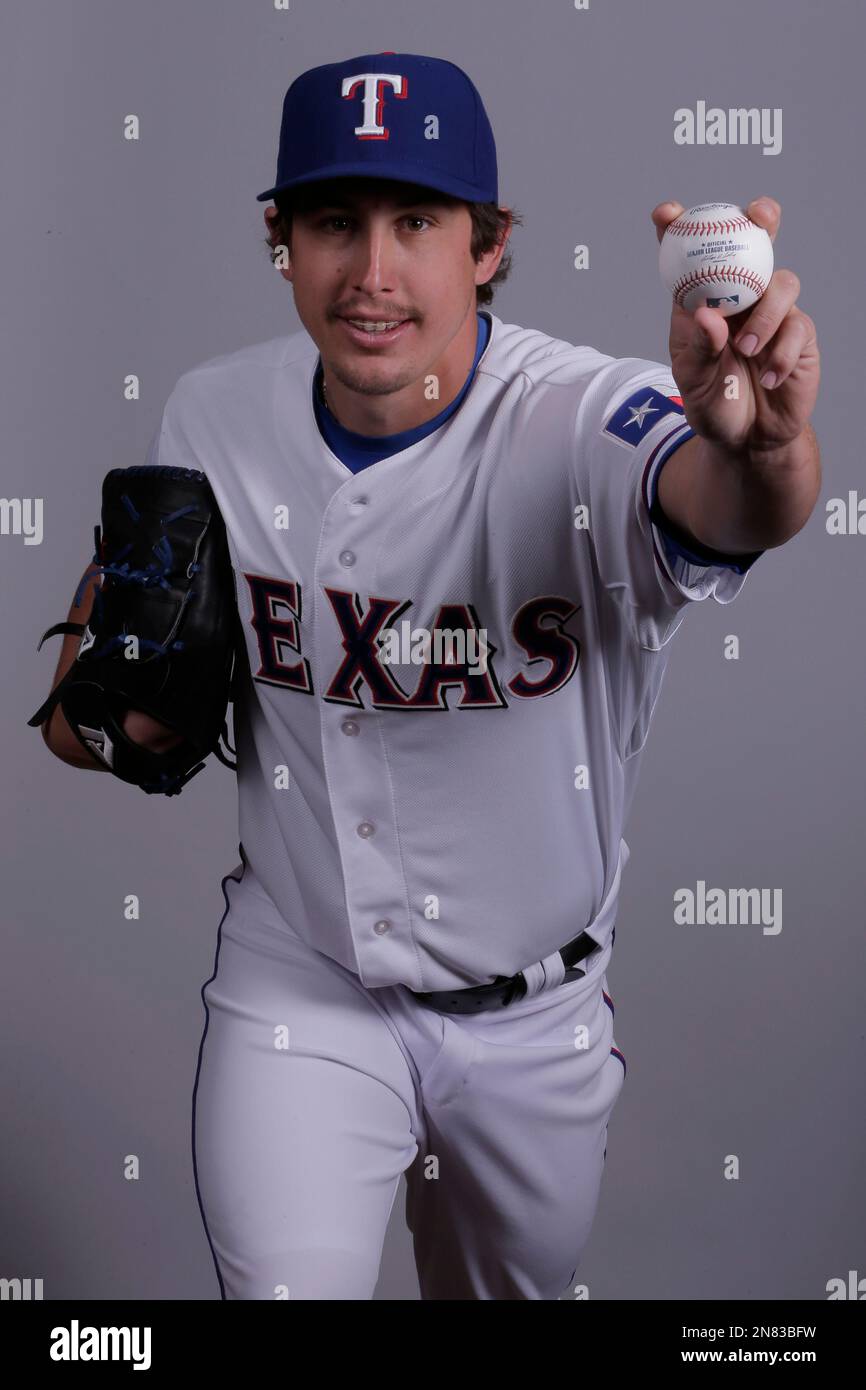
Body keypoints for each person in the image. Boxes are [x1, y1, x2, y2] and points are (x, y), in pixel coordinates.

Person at [41, 51, 821, 1300]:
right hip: (302, 987)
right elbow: (91, 730)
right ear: (279, 240)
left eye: (417, 220)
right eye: (333, 222)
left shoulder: (582, 416)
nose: (373, 271)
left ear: (488, 245)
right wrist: (113, 706)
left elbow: (727, 502)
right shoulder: (208, 418)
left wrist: (767, 442)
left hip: (533, 1024)